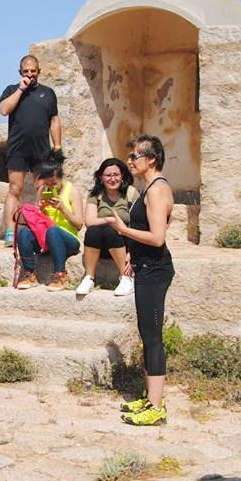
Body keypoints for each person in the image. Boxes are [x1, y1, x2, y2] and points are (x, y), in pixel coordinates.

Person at [106, 135, 174, 426]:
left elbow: (158, 237)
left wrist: (123, 229)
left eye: (135, 156)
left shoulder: (157, 191)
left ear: (151, 160)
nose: (130, 161)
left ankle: (156, 408)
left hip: (156, 270)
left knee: (153, 337)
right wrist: (133, 254)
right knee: (148, 334)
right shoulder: (149, 189)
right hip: (146, 266)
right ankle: (151, 398)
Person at [0, 54, 62, 246]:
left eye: (33, 71)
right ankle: (10, 231)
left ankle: (38, 227)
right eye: (26, 71)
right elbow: (4, 109)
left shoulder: (48, 93)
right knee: (14, 189)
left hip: (41, 149)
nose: (30, 74)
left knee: (42, 188)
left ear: (39, 71)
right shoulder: (11, 90)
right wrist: (20, 89)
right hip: (18, 148)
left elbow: (55, 120)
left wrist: (57, 146)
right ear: (20, 72)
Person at [15, 151, 83, 291]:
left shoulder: (72, 191)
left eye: (53, 183)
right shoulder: (42, 191)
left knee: (53, 231)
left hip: (68, 239)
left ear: (60, 177)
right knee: (24, 233)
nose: (50, 187)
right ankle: (29, 273)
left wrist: (63, 208)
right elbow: (36, 223)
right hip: (46, 239)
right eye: (47, 184)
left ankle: (60, 274)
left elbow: (79, 225)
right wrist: (39, 211)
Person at [76, 158, 139, 297]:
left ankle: (126, 277)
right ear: (101, 177)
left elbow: (139, 224)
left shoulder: (131, 193)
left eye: (116, 175)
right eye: (108, 175)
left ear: (122, 175)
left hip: (125, 243)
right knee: (94, 230)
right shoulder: (96, 195)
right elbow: (90, 221)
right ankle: (89, 278)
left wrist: (133, 252)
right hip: (101, 244)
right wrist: (110, 219)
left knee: (109, 230)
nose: (112, 179)